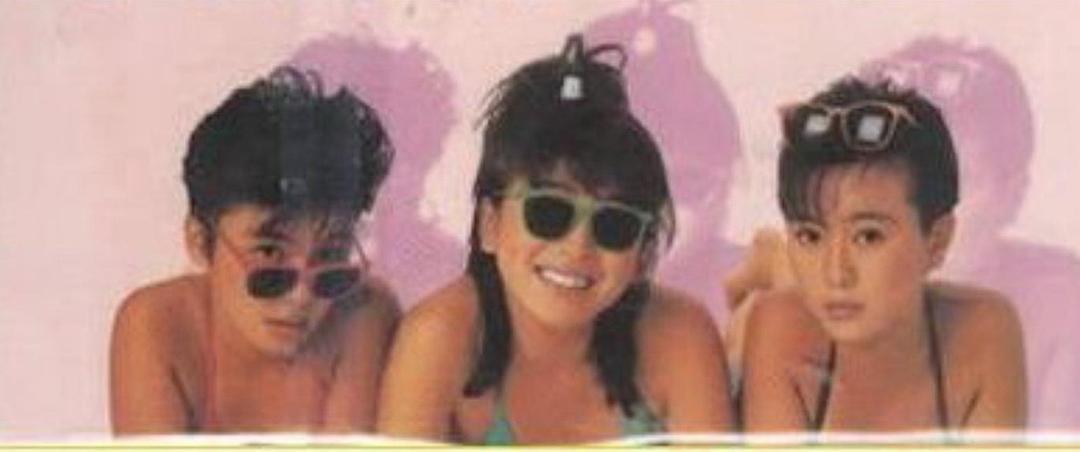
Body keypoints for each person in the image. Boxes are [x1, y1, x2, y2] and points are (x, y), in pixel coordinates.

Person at [377, 35, 733, 444]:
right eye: (548, 213)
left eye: (613, 226)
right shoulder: (439, 339)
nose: (578, 246)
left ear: (642, 255)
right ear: (490, 224)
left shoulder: (680, 337)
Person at [109, 67, 398, 434]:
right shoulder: (157, 325)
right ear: (200, 242)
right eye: (270, 254)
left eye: (330, 257)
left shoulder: (362, 313)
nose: (301, 297)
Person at [739, 77, 1025, 434]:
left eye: (868, 236)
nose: (836, 273)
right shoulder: (781, 330)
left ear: (937, 241)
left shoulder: (983, 331)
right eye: (810, 236)